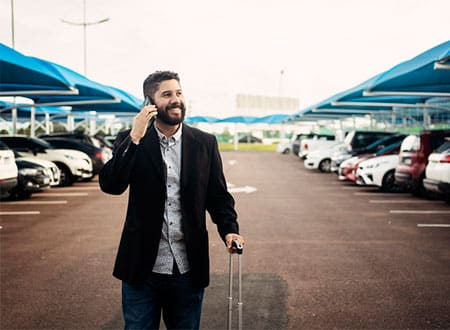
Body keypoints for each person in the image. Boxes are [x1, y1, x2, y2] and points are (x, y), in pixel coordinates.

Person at [99, 70, 244, 330]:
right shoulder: (131, 139)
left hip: (187, 269)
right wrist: (134, 138)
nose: (176, 99)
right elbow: (111, 185)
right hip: (142, 269)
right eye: (167, 94)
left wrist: (230, 230)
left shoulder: (204, 143)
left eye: (179, 92)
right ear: (150, 103)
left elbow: (218, 195)